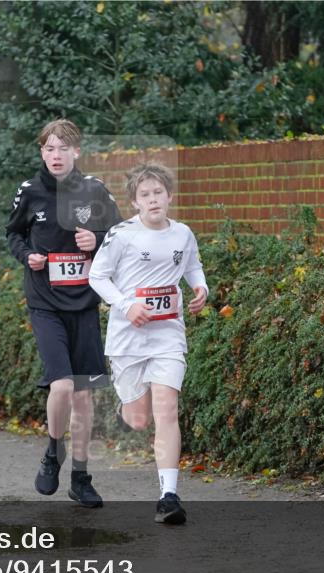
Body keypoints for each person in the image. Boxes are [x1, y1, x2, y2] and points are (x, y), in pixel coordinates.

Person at [6, 119, 122, 508]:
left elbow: (121, 236)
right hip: (45, 304)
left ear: (76, 151)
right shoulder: (30, 191)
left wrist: (99, 239)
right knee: (62, 386)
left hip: (84, 306)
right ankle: (53, 451)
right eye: (49, 149)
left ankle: (81, 478)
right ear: (42, 152)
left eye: (62, 149)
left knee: (84, 398)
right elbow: (13, 235)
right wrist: (29, 257)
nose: (55, 156)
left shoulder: (94, 190)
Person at [88, 163, 208, 524]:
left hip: (168, 334)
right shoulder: (121, 235)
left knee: (167, 410)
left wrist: (201, 288)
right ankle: (123, 406)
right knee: (139, 420)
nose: (153, 199)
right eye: (145, 195)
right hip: (128, 339)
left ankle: (168, 497)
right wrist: (126, 306)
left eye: (159, 192)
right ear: (135, 202)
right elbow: (97, 276)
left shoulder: (183, 233)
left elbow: (192, 266)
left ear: (169, 196)